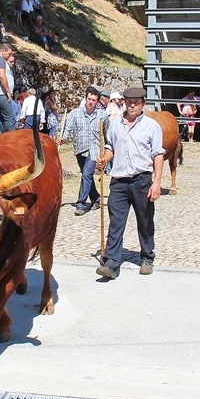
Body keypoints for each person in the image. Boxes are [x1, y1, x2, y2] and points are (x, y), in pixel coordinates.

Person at [95, 87, 165, 279]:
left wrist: (156, 183)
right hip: (119, 182)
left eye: (136, 102)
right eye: (129, 101)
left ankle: (147, 257)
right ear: (124, 102)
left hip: (142, 180)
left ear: (143, 104)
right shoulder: (115, 124)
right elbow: (111, 147)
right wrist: (105, 159)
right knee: (116, 222)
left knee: (145, 221)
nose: (132, 105)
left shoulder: (152, 126)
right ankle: (111, 262)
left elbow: (158, 154)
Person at [58, 87, 108, 216]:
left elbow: (108, 133)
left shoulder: (102, 115)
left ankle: (80, 204)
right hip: (80, 149)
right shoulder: (75, 113)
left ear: (97, 102)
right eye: (89, 99)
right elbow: (67, 129)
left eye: (94, 100)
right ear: (85, 99)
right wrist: (62, 138)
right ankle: (96, 199)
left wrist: (108, 150)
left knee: (86, 174)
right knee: (88, 176)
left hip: (94, 150)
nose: (91, 102)